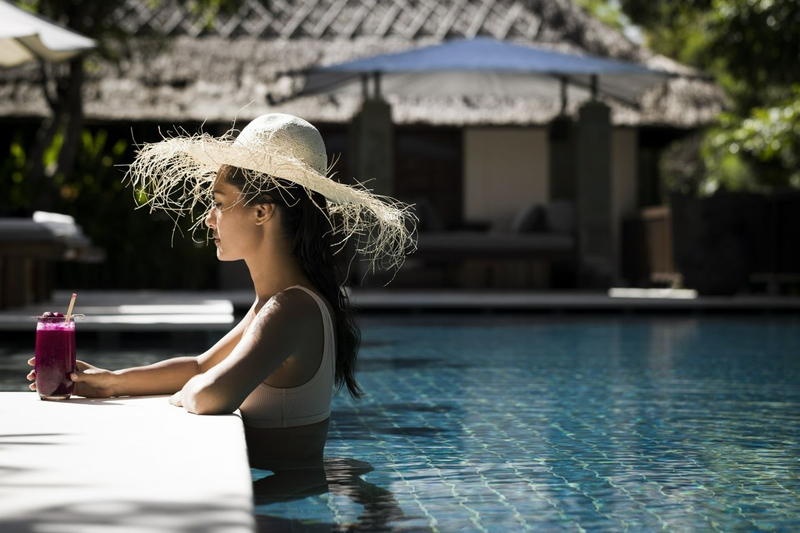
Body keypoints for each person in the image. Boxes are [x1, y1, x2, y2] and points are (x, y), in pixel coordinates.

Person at [27, 113, 417, 470]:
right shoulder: (277, 302)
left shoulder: (291, 308)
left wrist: (184, 393)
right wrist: (113, 382)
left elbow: (210, 393)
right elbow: (199, 367)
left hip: (284, 510)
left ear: (262, 212)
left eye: (219, 203)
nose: (209, 217)